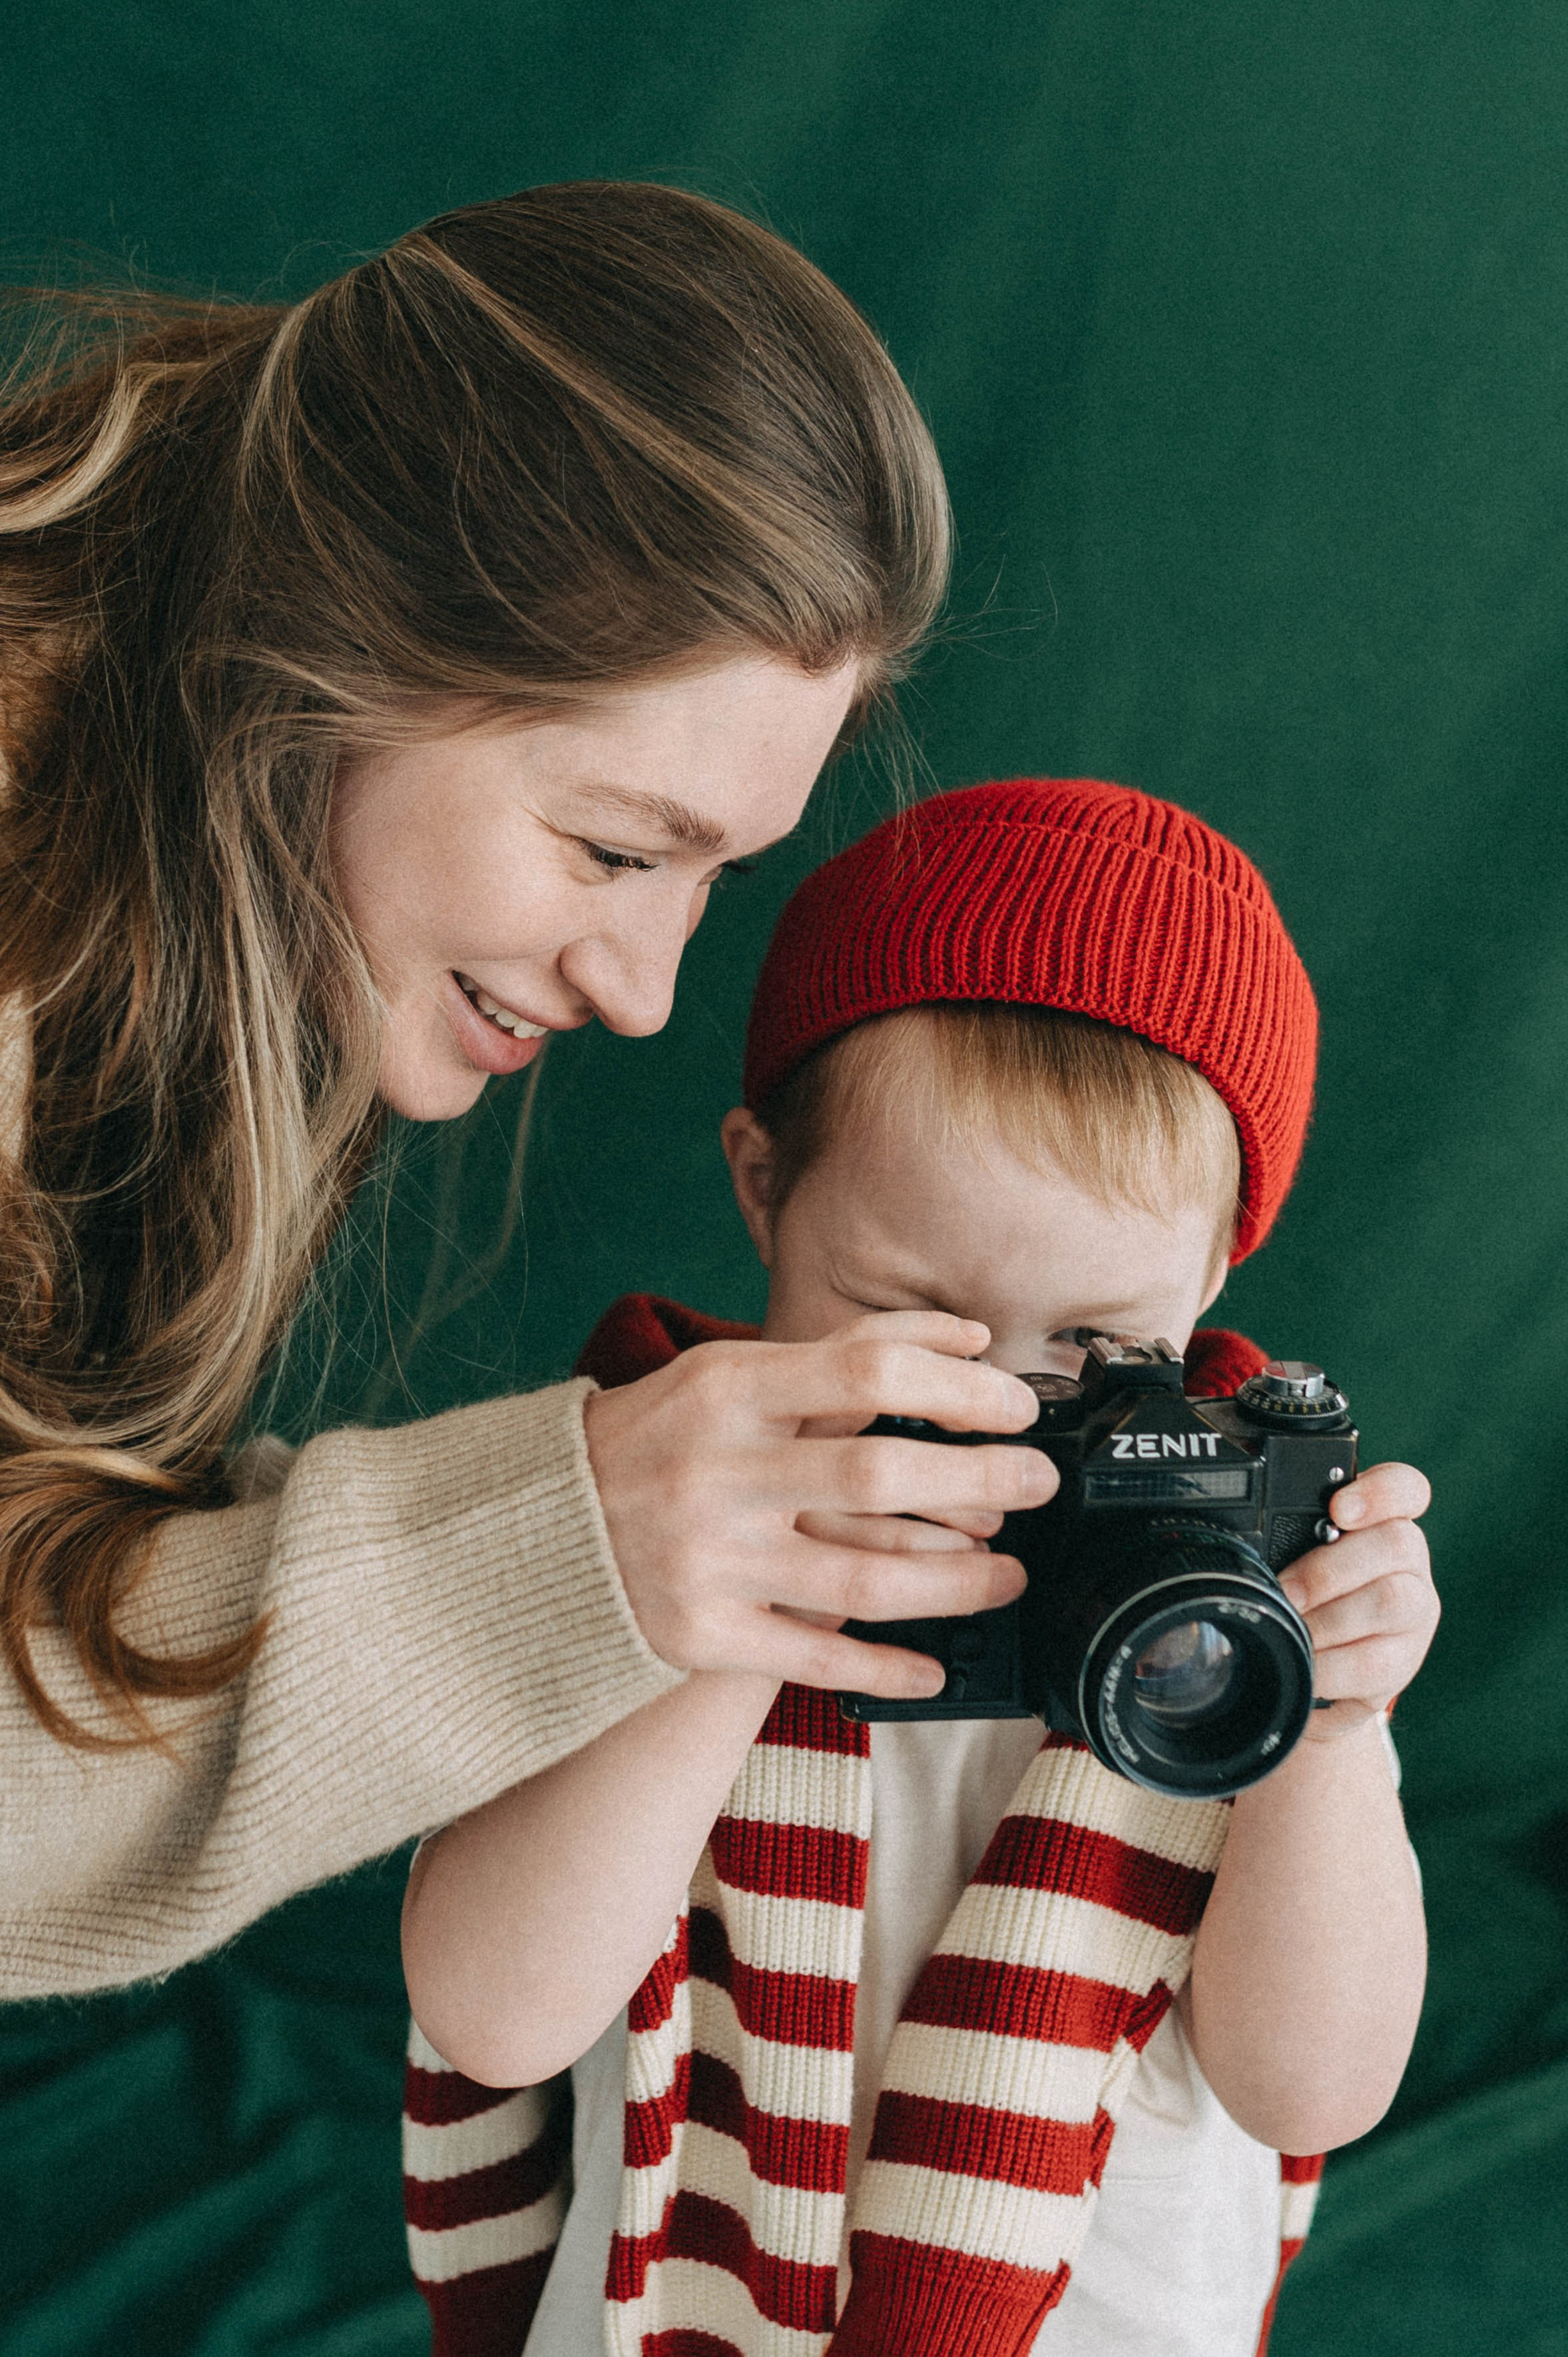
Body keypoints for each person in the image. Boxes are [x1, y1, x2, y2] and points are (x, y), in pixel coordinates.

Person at [0, 183, 1065, 2001]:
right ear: (324, 655)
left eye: (708, 876)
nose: (643, 996)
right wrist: (563, 1545)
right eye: (607, 846)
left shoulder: (187, 843)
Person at [399, 778, 1437, 2357]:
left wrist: (1331, 1734)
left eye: (1097, 1347)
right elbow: (494, 2016)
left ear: (1215, 1262)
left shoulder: (1235, 1559)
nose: (996, 1414)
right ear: (762, 1185)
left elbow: (1312, 2088)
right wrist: (749, 1607)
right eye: (909, 1318)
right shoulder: (632, 1504)